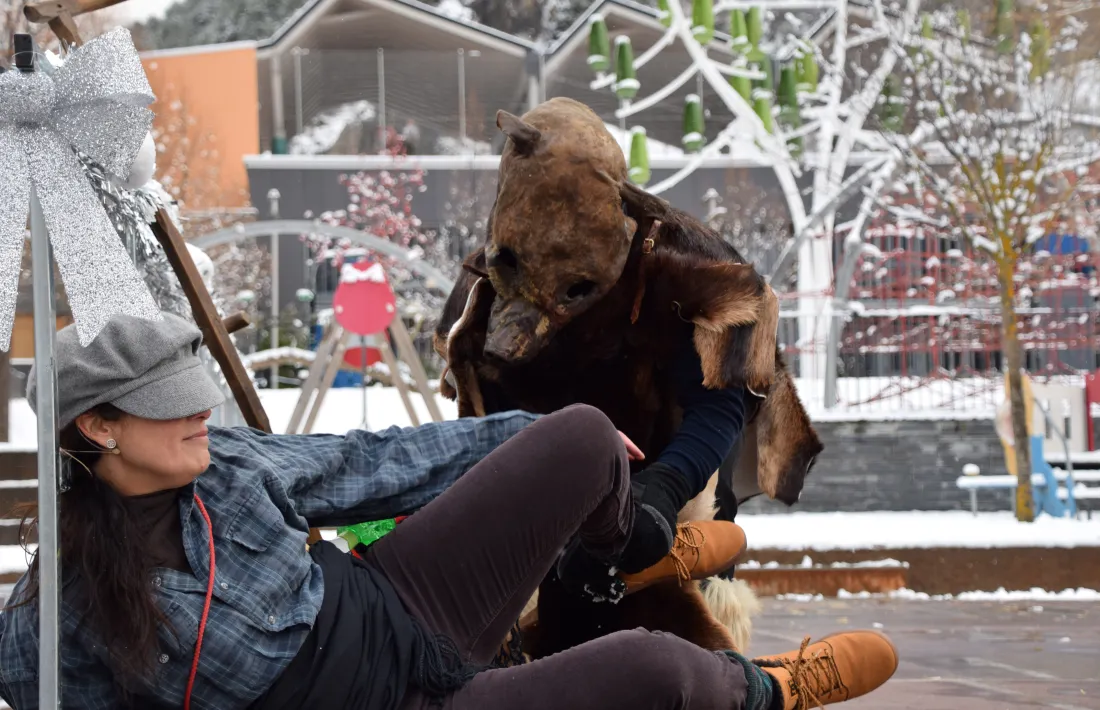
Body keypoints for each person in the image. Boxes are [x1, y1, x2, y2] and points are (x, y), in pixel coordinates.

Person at [0, 313, 898, 710]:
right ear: (98, 425)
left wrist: (518, 438)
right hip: (397, 705)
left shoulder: (222, 464)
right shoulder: (59, 619)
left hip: (404, 600)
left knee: (582, 438)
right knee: (656, 673)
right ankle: (774, 690)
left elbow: (366, 465)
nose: (204, 410)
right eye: (172, 400)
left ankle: (637, 552)